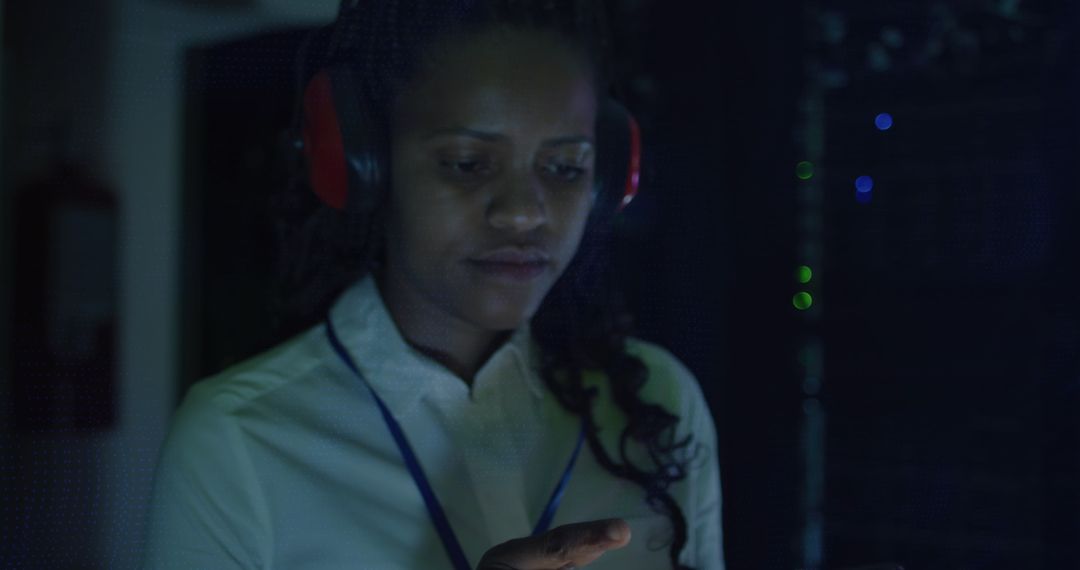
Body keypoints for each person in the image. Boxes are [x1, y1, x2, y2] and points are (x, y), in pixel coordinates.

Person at [142, 1, 724, 569]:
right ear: (360, 161)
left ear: (607, 183)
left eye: (566, 168)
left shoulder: (662, 404)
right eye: (468, 163)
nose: (523, 214)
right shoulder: (238, 439)